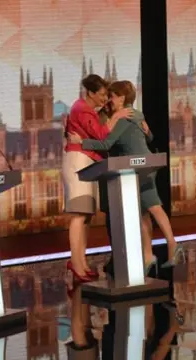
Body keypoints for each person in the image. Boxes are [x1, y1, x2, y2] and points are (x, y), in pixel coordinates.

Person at [69, 80, 183, 274]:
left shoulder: (123, 118)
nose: (109, 100)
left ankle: (172, 244)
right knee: (144, 211)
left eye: (112, 96)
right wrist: (149, 133)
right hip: (142, 165)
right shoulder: (137, 114)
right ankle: (148, 256)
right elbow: (147, 136)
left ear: (121, 98)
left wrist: (82, 142)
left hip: (138, 167)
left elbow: (106, 144)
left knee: (153, 207)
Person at [63, 74, 133, 282]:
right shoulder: (81, 109)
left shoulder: (88, 109)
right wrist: (116, 117)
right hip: (78, 162)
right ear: (90, 93)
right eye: (102, 95)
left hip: (88, 163)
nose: (104, 99)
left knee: (86, 216)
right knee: (78, 215)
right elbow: (102, 135)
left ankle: (81, 263)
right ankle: (76, 265)